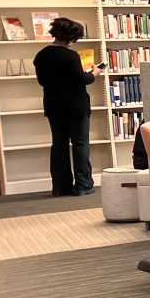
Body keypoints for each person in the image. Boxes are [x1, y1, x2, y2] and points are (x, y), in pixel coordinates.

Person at [33, 17, 99, 196]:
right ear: (72, 38)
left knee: (59, 144)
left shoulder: (41, 55)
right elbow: (82, 79)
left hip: (54, 105)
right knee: (80, 143)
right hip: (75, 105)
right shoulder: (70, 55)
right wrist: (95, 72)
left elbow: (42, 81)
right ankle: (83, 185)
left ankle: (60, 186)